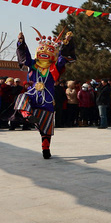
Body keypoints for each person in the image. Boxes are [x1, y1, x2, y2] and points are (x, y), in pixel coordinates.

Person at [12, 29, 75, 159]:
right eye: (42, 49)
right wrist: (21, 42)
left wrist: (67, 43)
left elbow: (64, 57)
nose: (44, 52)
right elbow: (25, 56)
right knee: (22, 97)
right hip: (33, 96)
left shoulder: (54, 67)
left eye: (49, 50)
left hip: (47, 99)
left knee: (46, 128)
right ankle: (27, 114)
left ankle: (45, 149)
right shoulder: (33, 65)